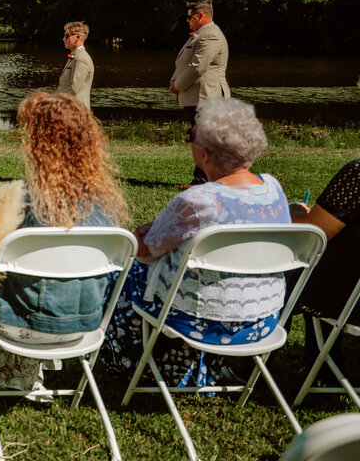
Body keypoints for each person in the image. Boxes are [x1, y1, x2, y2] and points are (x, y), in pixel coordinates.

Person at [0, 91, 130, 390]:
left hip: (19, 327)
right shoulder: (107, 206)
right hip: (86, 326)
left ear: (38, 145)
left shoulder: (23, 202)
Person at [101, 97, 288, 388]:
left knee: (122, 274)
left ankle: (128, 361)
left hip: (200, 322)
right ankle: (200, 368)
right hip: (261, 322)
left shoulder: (199, 200)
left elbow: (146, 252)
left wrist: (140, 237)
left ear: (205, 153)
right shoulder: (274, 189)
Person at [289, 158, 360, 332]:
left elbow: (314, 231)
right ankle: (323, 355)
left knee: (285, 273)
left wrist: (291, 212)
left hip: (347, 299)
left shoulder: (357, 173)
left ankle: (251, 350)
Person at [170, 0, 229, 185]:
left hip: (206, 96)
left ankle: (203, 180)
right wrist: (175, 79)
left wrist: (177, 85)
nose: (187, 21)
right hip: (198, 95)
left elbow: (197, 67)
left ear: (200, 15)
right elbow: (185, 62)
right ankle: (202, 179)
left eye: (189, 17)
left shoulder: (210, 36)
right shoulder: (201, 34)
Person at [57, 21, 94, 109]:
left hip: (76, 112)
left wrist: (55, 104)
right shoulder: (76, 56)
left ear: (78, 37)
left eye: (67, 36)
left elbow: (73, 90)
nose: (63, 39)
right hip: (69, 109)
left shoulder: (82, 59)